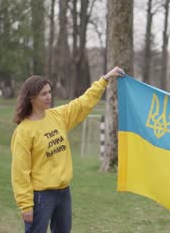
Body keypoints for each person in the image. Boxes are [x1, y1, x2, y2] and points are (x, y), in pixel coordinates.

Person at [11, 67, 125, 233]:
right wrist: (25, 204)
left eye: (49, 92)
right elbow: (20, 172)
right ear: (31, 98)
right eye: (43, 94)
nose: (48, 96)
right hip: (41, 196)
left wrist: (105, 80)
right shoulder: (24, 131)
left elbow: (82, 103)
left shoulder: (57, 116)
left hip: (63, 192)